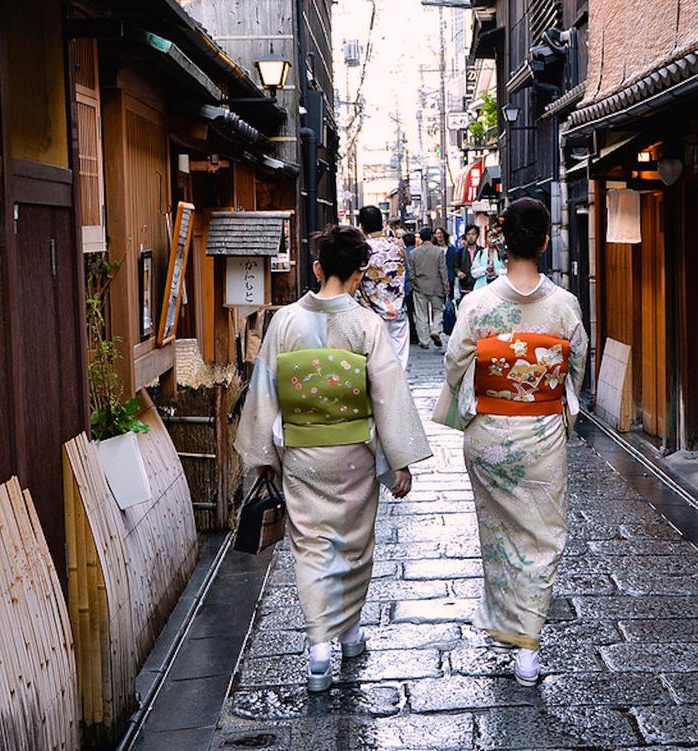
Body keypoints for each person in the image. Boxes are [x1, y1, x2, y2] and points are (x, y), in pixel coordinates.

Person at [236, 225, 432, 693]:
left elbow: (265, 389)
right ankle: (348, 634)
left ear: (318, 266)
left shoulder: (284, 321)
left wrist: (263, 452)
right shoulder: (366, 325)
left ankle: (321, 645)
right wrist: (399, 461)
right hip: (353, 455)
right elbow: (386, 395)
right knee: (353, 544)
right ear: (361, 274)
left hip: (303, 452)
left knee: (310, 546)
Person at [433, 198, 588, 687]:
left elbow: (455, 364)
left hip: (490, 438)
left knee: (499, 534)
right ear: (545, 241)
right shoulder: (564, 306)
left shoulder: (479, 304)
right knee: (543, 537)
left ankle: (509, 626)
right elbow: (575, 369)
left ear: (502, 241)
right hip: (540, 433)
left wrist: (474, 396)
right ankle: (528, 644)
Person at [357, 206, 410, 369]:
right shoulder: (398, 245)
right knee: (399, 359)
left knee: (376, 360)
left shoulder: (363, 249)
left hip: (372, 310)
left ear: (362, 226)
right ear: (382, 223)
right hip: (398, 308)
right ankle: (399, 390)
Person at [407, 227, 449, 349]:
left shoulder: (413, 253)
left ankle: (424, 340)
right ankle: (435, 330)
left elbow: (411, 272)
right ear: (432, 237)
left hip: (419, 287)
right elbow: (443, 270)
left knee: (421, 314)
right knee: (438, 311)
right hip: (436, 286)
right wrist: (446, 286)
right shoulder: (438, 251)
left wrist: (414, 283)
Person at [470, 225, 507, 291]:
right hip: (481, 289)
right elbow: (473, 273)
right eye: (489, 237)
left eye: (494, 236)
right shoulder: (481, 253)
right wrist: (485, 269)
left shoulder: (502, 254)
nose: (491, 239)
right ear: (486, 239)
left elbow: (508, 272)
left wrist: (496, 271)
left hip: (498, 290)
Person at [403, 232, 420, 346]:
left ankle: (413, 335)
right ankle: (422, 334)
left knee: (410, 312)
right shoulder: (419, 252)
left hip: (408, 286)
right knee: (419, 312)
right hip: (420, 285)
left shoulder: (404, 254)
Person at [454, 226, 480, 298]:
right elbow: (455, 266)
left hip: (479, 287)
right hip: (465, 287)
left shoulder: (482, 251)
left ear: (477, 235)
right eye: (468, 234)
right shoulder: (460, 252)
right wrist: (458, 272)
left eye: (473, 234)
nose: (471, 237)